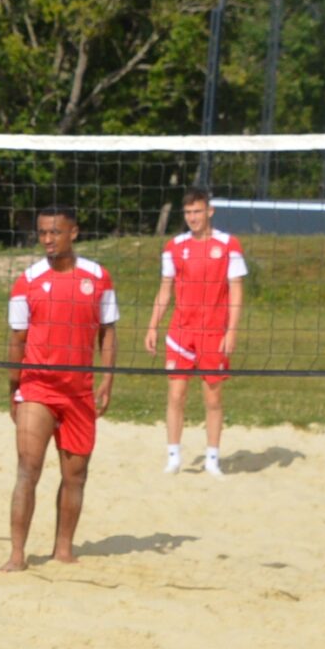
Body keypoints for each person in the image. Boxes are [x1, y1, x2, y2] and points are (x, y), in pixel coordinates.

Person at [0, 207, 117, 572]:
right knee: (27, 469)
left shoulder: (98, 277)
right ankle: (16, 556)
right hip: (38, 387)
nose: (48, 239)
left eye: (55, 232)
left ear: (73, 233)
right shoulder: (27, 281)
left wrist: (108, 379)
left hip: (79, 392)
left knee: (75, 476)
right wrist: (14, 388)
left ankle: (63, 550)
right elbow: (17, 340)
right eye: (43, 233)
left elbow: (107, 332)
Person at [143, 187, 245, 475]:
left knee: (213, 398)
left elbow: (236, 291)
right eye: (188, 212)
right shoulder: (174, 246)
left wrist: (232, 331)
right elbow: (165, 289)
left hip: (213, 333)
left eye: (197, 211)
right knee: (176, 395)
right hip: (180, 333)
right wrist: (152, 325)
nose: (192, 217)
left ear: (209, 211)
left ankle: (212, 458)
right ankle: (173, 457)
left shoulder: (229, 245)